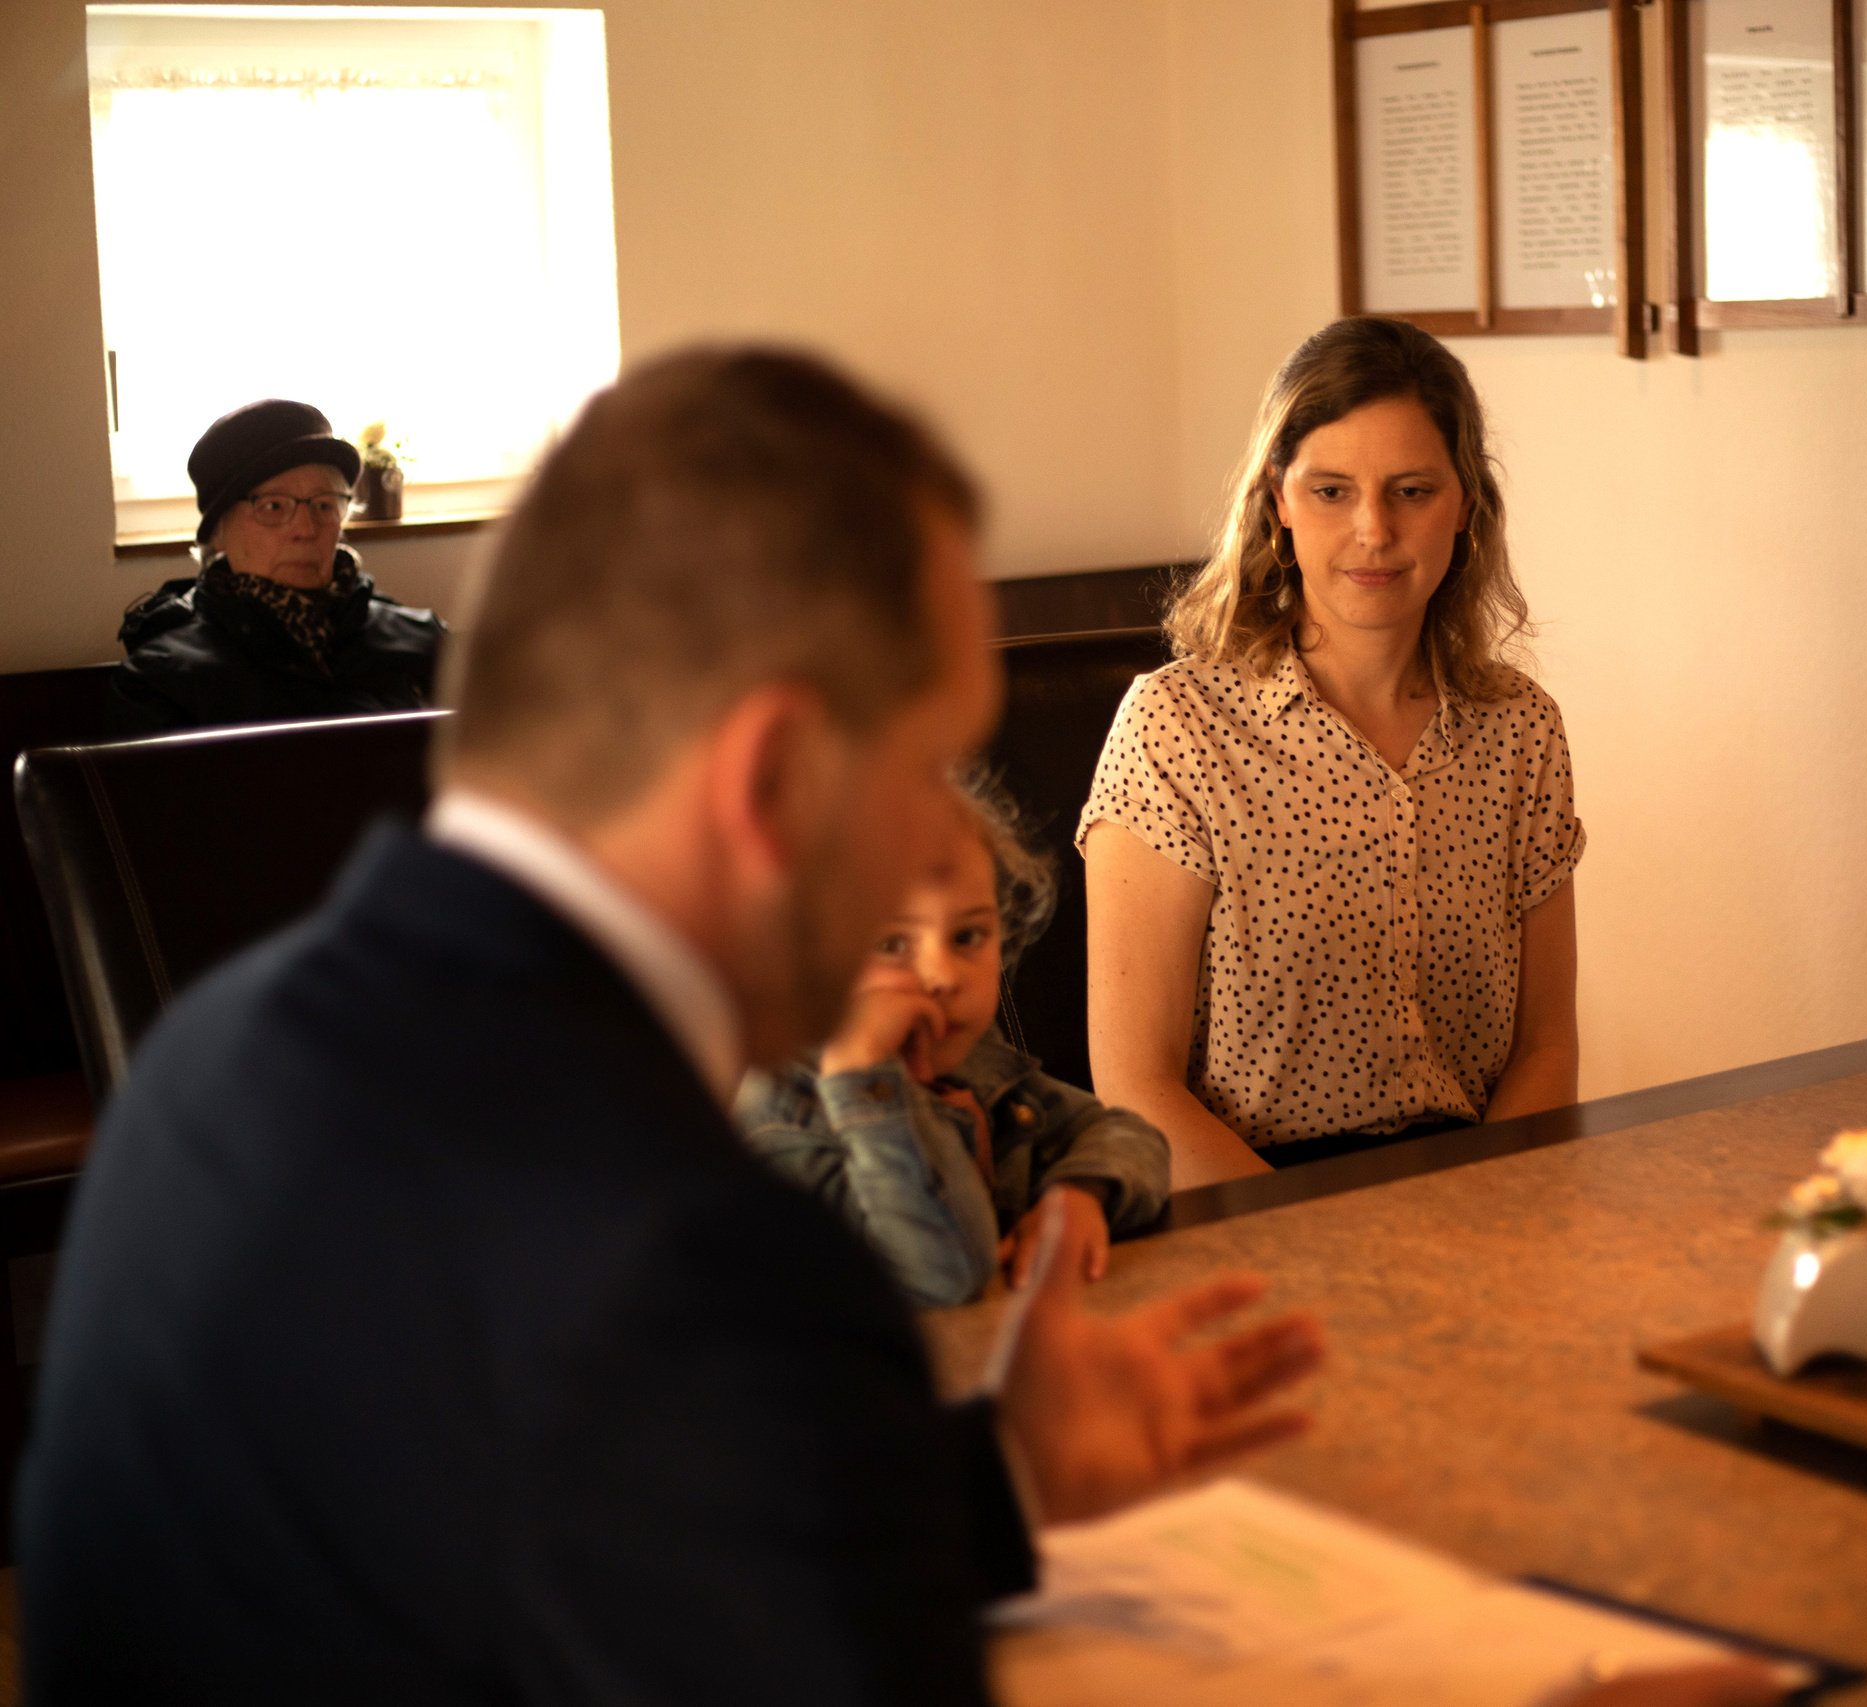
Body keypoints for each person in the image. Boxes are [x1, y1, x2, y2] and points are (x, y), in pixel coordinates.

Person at [17, 349, 1329, 1703]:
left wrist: (997, 1478)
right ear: (771, 777)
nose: (947, 846)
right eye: (920, 768)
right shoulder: (702, 1249)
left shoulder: (216, 1048)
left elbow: (608, 1530)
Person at [1081, 317, 1586, 1187]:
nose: (1373, 531)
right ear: (1278, 498)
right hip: (1247, 1214)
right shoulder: (1177, 728)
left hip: (1473, 1204)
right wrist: (1328, 1251)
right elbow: (1137, 1086)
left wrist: (1488, 1220)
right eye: (1331, 490)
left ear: (1465, 503)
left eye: (1412, 490)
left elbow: (1546, 1045)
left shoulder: (1520, 730)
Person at [738, 768, 1171, 1308]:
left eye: (968, 936)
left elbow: (1130, 1136)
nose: (942, 973)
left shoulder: (979, 1065)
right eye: (892, 943)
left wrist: (1079, 1193)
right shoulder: (784, 1117)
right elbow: (944, 1273)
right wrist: (866, 1080)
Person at [108, 397, 444, 735]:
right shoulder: (163, 680)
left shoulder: (426, 641)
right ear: (217, 532)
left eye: (324, 505)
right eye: (273, 506)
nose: (306, 529)